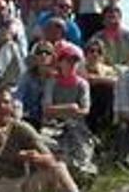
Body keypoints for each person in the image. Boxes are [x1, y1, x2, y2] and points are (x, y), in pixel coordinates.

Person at [42, 41, 96, 178]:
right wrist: (70, 108)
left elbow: (85, 110)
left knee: (82, 152)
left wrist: (62, 110)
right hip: (52, 126)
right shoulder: (52, 82)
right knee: (48, 149)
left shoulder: (82, 84)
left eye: (74, 61)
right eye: (68, 61)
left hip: (77, 126)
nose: (72, 64)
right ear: (60, 63)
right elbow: (46, 109)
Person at [80, 39, 119, 133]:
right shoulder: (79, 67)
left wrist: (97, 79)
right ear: (86, 53)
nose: (95, 54)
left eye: (99, 52)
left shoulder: (107, 69)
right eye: (92, 51)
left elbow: (117, 82)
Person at [16, 41, 56, 128]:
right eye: (39, 52)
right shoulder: (26, 76)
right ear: (34, 57)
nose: (43, 55)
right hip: (29, 119)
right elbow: (18, 97)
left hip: (52, 122)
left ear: (52, 57)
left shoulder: (56, 78)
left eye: (47, 53)